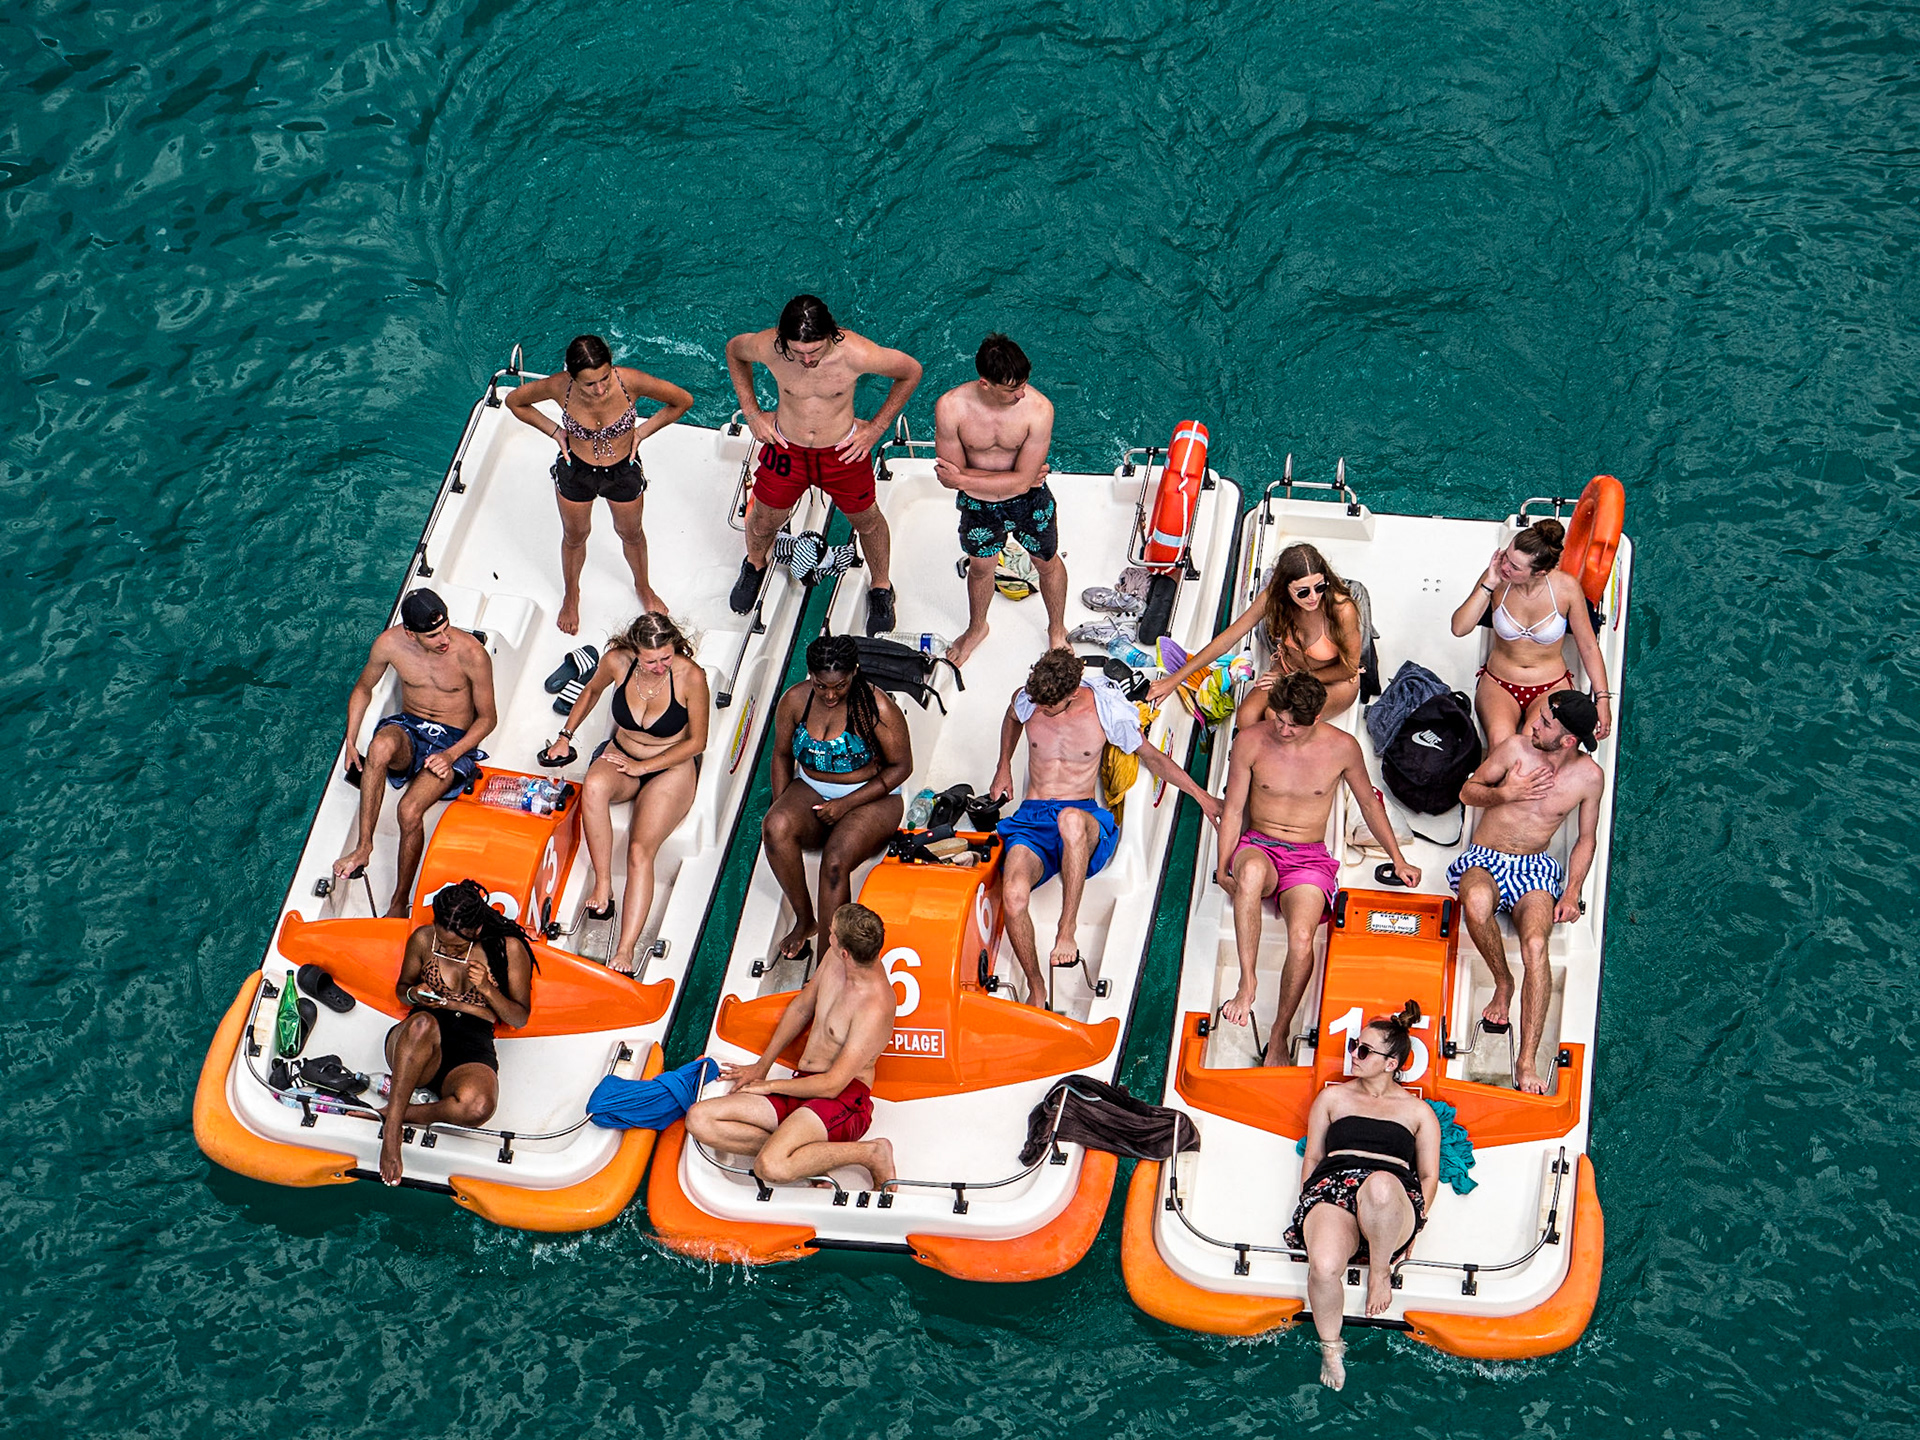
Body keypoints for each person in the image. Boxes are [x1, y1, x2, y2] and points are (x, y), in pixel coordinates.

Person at [989, 648, 1223, 1005]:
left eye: (1048, 707)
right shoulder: (1029, 698)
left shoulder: (1105, 710)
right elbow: (1011, 718)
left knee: (1069, 820)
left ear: (1070, 696)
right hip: (1031, 819)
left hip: (1083, 818)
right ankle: (1037, 988)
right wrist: (1002, 765)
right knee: (1015, 895)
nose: (1039, 710)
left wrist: (1202, 797)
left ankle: (1066, 930)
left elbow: (1153, 758)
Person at [1214, 674, 1421, 1063]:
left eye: (1294, 723)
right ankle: (1247, 981)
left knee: (1303, 939)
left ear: (1317, 717)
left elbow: (1370, 805)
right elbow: (1235, 809)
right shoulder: (1251, 741)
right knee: (1250, 875)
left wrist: (1398, 858)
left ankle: (1280, 1032)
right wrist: (1224, 865)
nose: (1284, 729)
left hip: (1307, 857)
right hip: (1259, 844)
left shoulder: (1342, 748)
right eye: (1279, 719)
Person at [724, 295, 923, 635]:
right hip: (786, 446)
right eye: (797, 352)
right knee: (765, 518)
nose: (805, 360)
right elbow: (734, 351)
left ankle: (881, 587)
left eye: (813, 352)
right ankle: (755, 564)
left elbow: (910, 372)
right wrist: (753, 413)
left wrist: (875, 429)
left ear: (830, 335)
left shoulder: (857, 353)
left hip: (842, 451)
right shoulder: (769, 346)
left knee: (867, 520)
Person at [1450, 690, 1604, 1093]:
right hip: (1485, 858)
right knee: (1478, 901)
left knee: (1536, 946)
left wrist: (1572, 892)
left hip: (1534, 869)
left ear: (1568, 740)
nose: (1534, 724)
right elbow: (1468, 791)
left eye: (1546, 723)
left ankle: (1527, 1063)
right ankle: (1503, 983)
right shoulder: (1516, 749)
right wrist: (1505, 794)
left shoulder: (1589, 777)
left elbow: (1586, 838)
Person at [685, 902, 898, 1189]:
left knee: (769, 1166)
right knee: (699, 1119)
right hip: (803, 1085)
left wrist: (771, 1086)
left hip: (841, 1100)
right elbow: (801, 1009)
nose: (828, 934)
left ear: (845, 952)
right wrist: (762, 1066)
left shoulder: (874, 1006)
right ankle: (809, 1159)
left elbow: (832, 1085)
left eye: (832, 933)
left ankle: (871, 1153)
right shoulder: (835, 961)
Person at [541, 613, 709, 975]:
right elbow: (591, 691)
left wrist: (643, 768)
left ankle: (626, 951)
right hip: (623, 753)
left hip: (670, 768)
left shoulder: (690, 676)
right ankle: (604, 885)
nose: (661, 665)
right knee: (594, 786)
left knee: (639, 850)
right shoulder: (616, 661)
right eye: (652, 660)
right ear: (634, 652)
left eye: (667, 656)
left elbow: (698, 741)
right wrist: (564, 736)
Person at [1286, 1003, 1441, 1391]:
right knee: (1322, 1266)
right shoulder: (1332, 1099)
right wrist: (1309, 1201)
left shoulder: (1418, 1112)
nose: (1354, 1054)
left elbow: (1428, 1175)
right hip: (1334, 1186)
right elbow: (1314, 1157)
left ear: (1392, 1064)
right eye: (1356, 1045)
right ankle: (1330, 1346)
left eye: (1365, 1050)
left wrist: (1416, 1223)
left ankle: (1379, 1271)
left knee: (1382, 1185)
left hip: (1392, 1195)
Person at [505, 334, 694, 635]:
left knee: (631, 533)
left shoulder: (629, 381)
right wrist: (556, 432)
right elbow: (515, 401)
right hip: (576, 470)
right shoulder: (560, 386)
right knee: (575, 536)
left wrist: (642, 432)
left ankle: (643, 587)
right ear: (572, 376)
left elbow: (682, 400)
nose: (600, 389)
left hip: (622, 470)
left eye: (604, 378)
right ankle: (572, 594)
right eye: (589, 384)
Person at [333, 589, 497, 917]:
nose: (444, 639)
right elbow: (364, 688)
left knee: (408, 811)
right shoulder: (390, 644)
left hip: (453, 741)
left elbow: (488, 719)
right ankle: (364, 847)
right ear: (411, 633)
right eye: (433, 635)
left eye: (446, 629)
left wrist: (452, 754)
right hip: (410, 726)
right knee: (378, 746)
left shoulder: (471, 654)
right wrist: (351, 740)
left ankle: (398, 901)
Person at [763, 635, 913, 967]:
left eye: (840, 686)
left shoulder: (877, 707)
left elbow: (902, 767)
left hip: (874, 796)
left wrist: (846, 805)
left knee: (834, 862)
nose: (830, 695)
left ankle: (826, 965)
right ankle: (805, 919)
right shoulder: (795, 701)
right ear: (811, 676)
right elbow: (782, 755)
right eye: (821, 686)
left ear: (855, 673)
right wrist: (782, 801)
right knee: (775, 826)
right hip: (813, 787)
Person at [379, 879, 535, 1186]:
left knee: (479, 1107)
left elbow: (518, 1018)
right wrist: (415, 994)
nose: (447, 949)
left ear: (476, 931)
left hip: (471, 1045)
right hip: (418, 1039)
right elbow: (401, 990)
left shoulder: (508, 949)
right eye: (443, 940)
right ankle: (392, 1129)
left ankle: (400, 1110)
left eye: (457, 946)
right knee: (423, 1024)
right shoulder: (424, 939)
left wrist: (488, 990)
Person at [933, 334, 1063, 666]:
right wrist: (1011, 480)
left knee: (1046, 563)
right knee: (980, 568)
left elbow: (1018, 483)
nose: (1021, 394)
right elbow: (953, 478)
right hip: (979, 508)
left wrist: (966, 479)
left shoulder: (1039, 409)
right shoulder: (952, 407)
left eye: (1024, 384)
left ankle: (1057, 630)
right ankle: (977, 628)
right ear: (985, 384)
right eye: (1011, 389)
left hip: (1029, 501)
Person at [1148, 543, 1364, 726]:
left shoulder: (1341, 610)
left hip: (1332, 682)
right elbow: (1228, 638)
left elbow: (1347, 669)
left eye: (1320, 586)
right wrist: (1174, 680)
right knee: (1246, 718)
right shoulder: (1274, 598)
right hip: (1288, 669)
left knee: (1276, 716)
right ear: (1285, 588)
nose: (1313, 597)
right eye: (1303, 591)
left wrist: (1290, 679)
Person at [1449, 518, 1614, 747]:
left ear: (1540, 572)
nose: (1505, 566)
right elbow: (1459, 628)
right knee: (1501, 745)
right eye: (1506, 556)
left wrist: (1603, 699)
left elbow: (1587, 646)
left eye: (1515, 567)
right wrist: (1489, 583)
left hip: (1551, 685)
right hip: (1499, 684)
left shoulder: (1566, 589)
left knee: (1530, 748)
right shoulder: (1497, 579)